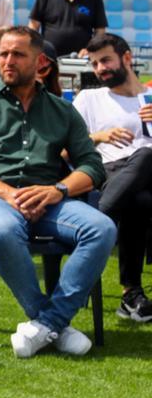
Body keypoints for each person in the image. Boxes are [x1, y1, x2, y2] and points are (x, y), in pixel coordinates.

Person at [0, 26, 115, 358]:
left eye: (17, 54)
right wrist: (8, 194)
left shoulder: (62, 110)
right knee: (2, 230)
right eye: (4, 53)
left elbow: (93, 166)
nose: (7, 61)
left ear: (39, 62)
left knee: (102, 228)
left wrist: (58, 190)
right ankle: (55, 324)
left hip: (51, 201)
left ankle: (47, 322)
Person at [74, 33, 152, 321]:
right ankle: (131, 293)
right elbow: (66, 148)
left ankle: (94, 223)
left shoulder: (150, 95)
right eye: (94, 63)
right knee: (140, 198)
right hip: (112, 172)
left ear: (127, 58)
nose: (100, 69)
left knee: (146, 159)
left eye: (105, 60)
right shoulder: (90, 98)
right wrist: (97, 136)